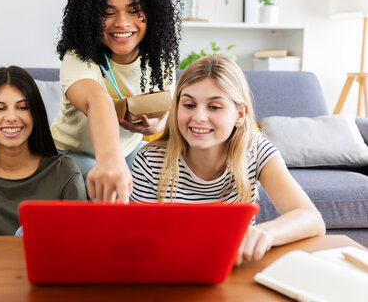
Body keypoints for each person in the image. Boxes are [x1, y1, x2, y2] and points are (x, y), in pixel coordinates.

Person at [130, 55, 325, 265]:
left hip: (234, 270)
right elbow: (139, 243)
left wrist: (265, 233)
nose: (199, 117)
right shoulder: (150, 160)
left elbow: (311, 219)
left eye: (214, 107)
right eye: (188, 104)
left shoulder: (256, 150)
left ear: (240, 115)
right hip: (171, 269)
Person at [51, 0, 181, 203]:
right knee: (98, 190)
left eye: (134, 11)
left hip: (127, 151)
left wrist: (154, 128)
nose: (122, 23)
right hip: (69, 153)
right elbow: (96, 99)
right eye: (108, 13)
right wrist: (111, 161)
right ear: (89, 17)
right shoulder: (79, 58)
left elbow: (164, 115)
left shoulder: (159, 59)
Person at [0, 66, 86, 235]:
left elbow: (78, 244)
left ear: (36, 114)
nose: (11, 117)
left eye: (22, 107)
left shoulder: (64, 173)